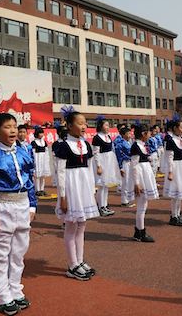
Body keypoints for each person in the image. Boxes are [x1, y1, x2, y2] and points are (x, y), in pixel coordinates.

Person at [0, 113, 36, 315]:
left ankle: (16, 290)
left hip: (22, 205)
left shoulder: (23, 153)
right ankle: (2, 295)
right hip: (1, 207)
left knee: (19, 253)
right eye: (7, 127)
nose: (13, 130)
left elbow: (30, 181)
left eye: (14, 126)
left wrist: (32, 206)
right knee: (0, 254)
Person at [55, 109, 99, 281]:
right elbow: (60, 173)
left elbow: (90, 170)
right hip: (71, 189)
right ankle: (72, 265)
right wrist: (63, 197)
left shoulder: (87, 145)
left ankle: (80, 261)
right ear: (69, 125)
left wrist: (92, 191)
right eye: (80, 123)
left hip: (84, 188)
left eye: (85, 123)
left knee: (82, 225)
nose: (84, 126)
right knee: (71, 226)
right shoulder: (63, 146)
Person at [129, 122, 159, 242]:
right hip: (141, 178)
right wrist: (137, 183)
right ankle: (139, 232)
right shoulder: (136, 146)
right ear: (143, 134)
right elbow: (134, 166)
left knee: (143, 205)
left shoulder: (141, 145)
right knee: (141, 206)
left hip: (144, 175)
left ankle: (140, 231)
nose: (150, 136)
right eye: (148, 134)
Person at [164, 120, 182, 225]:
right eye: (181, 127)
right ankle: (173, 215)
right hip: (175, 167)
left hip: (181, 166)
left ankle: (178, 213)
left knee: (180, 193)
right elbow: (169, 157)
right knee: (175, 193)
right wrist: (170, 172)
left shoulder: (180, 139)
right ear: (175, 128)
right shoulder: (171, 140)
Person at [92, 117, 121, 216]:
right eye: (106, 125)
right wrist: (98, 166)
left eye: (109, 125)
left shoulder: (108, 136)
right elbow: (96, 153)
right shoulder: (97, 137)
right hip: (102, 161)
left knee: (106, 185)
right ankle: (101, 207)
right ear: (100, 126)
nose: (108, 127)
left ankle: (105, 205)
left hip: (108, 161)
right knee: (101, 185)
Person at [115, 127, 136, 208]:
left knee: (129, 182)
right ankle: (124, 201)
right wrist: (120, 168)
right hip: (125, 163)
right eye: (127, 134)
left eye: (130, 134)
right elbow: (119, 157)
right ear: (122, 135)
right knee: (125, 183)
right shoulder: (120, 145)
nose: (129, 135)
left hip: (130, 163)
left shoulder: (129, 143)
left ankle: (127, 199)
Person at [30, 127, 51, 197]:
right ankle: (37, 190)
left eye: (42, 133)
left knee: (43, 176)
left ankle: (42, 189)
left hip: (43, 160)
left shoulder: (44, 142)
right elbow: (33, 153)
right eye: (40, 133)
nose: (41, 134)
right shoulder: (34, 142)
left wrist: (47, 159)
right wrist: (34, 161)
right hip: (37, 160)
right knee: (37, 176)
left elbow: (47, 151)